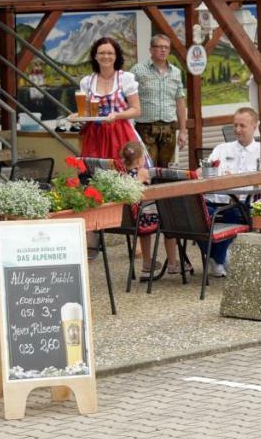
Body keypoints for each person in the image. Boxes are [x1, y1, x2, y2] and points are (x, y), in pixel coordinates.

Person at [204, 106, 261, 278]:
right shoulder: (222, 149)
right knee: (196, 217)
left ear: (254, 126)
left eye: (242, 126)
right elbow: (205, 173)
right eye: (235, 125)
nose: (237, 130)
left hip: (243, 204)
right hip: (215, 200)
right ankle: (217, 257)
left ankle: (216, 258)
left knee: (235, 214)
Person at [118, 140, 177, 280]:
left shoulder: (122, 175)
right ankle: (173, 263)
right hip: (146, 217)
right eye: (144, 157)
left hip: (132, 219)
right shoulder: (143, 172)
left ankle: (147, 262)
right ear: (139, 161)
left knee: (145, 224)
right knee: (170, 224)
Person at [77, 36, 143, 161]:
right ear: (95, 56)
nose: (105, 56)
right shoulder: (87, 82)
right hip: (95, 136)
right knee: (95, 173)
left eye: (110, 53)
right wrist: (77, 116)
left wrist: (117, 115)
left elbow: (136, 110)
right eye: (101, 53)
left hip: (121, 134)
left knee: (123, 171)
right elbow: (87, 112)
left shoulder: (125, 78)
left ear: (116, 56)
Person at [130, 34, 188, 167]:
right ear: (151, 50)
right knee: (147, 167)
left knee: (168, 170)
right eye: (159, 47)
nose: (163, 50)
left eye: (166, 47)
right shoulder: (137, 70)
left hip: (169, 129)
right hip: (146, 129)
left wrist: (183, 131)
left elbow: (180, 101)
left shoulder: (176, 72)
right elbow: (126, 97)